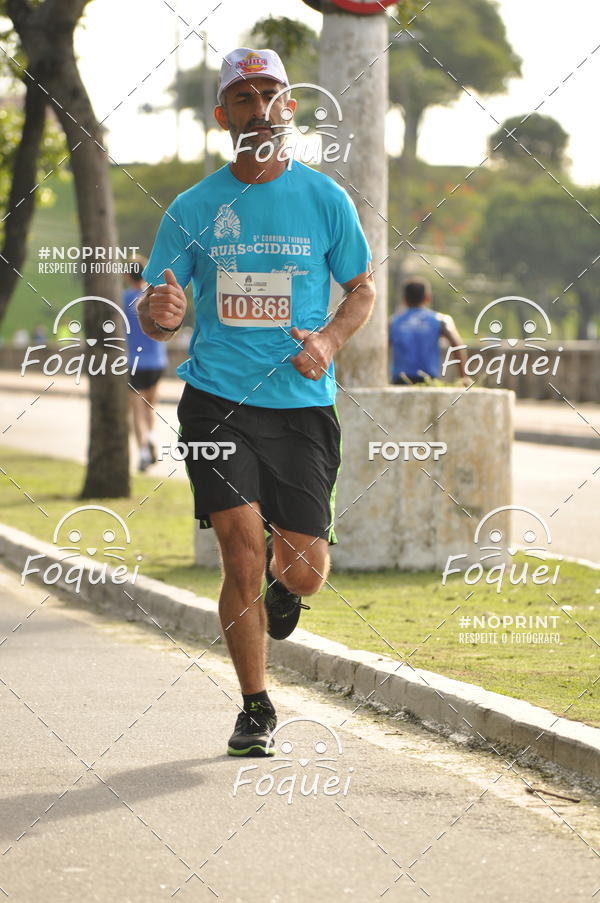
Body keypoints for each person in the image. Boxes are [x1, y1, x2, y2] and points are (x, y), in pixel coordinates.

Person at [137, 48, 375, 757]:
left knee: (300, 567)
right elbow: (158, 311)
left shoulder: (325, 199)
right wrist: (164, 306)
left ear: (289, 107)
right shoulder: (192, 207)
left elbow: (362, 288)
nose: (259, 107)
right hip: (217, 400)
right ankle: (255, 706)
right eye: (243, 97)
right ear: (223, 116)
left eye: (271, 93)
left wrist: (329, 341)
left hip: (302, 400)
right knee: (240, 552)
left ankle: (288, 585)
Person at [123, 261, 168, 471]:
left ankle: (142, 452)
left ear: (127, 276)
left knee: (137, 410)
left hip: (135, 362)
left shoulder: (123, 300)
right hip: (157, 361)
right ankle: (151, 439)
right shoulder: (154, 297)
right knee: (150, 407)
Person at [389, 276, 465, 384]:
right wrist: (463, 377)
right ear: (428, 298)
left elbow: (381, 347)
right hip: (428, 380)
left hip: (400, 380)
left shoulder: (393, 322)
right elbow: (457, 345)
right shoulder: (441, 320)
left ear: (405, 299)